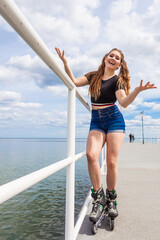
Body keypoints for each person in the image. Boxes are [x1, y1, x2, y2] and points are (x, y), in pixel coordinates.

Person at [55, 47, 156, 223]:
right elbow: (73, 81)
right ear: (105, 58)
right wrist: (65, 63)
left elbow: (123, 102)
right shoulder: (93, 76)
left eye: (117, 58)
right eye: (111, 55)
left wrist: (137, 90)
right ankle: (98, 197)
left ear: (119, 65)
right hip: (96, 120)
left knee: (111, 162)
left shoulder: (118, 81)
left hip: (114, 120)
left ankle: (111, 199)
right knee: (91, 155)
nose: (113, 58)